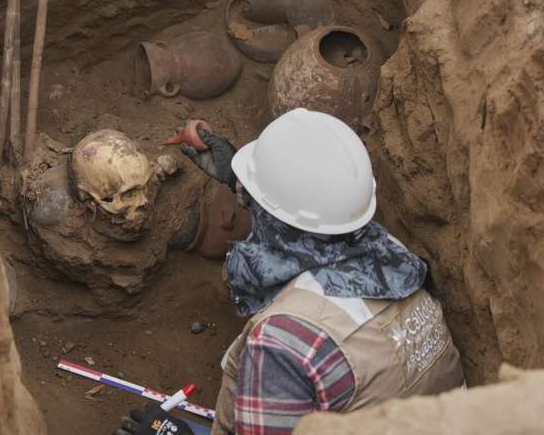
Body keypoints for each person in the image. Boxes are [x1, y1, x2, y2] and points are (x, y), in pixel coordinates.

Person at [114, 108, 465, 435]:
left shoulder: (283, 343)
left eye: (253, 201)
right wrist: (248, 181)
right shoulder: (393, 259)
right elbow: (312, 222)